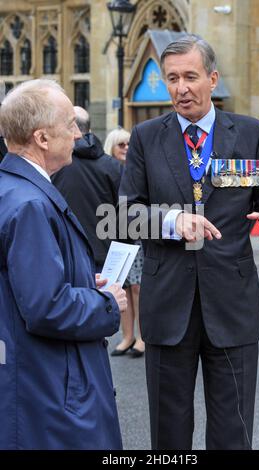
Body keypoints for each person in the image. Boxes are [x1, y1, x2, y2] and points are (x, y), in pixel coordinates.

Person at [119, 35, 259, 449]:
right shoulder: (145, 137)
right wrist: (173, 221)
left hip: (232, 305)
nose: (181, 88)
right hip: (167, 306)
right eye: (172, 78)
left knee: (234, 432)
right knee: (170, 434)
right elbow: (125, 214)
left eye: (191, 77)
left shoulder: (251, 134)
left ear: (212, 79)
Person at [0, 79, 127, 450]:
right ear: (41, 138)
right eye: (69, 124)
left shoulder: (15, 189)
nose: (77, 134)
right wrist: (106, 302)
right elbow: (45, 307)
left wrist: (84, 282)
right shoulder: (30, 204)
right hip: (50, 387)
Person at [52, 106, 122, 271]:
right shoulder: (113, 166)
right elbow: (127, 215)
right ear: (89, 129)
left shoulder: (53, 165)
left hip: (65, 258)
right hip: (105, 260)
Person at [105, 128, 145, 358]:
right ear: (111, 146)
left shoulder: (136, 168)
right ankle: (127, 336)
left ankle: (142, 336)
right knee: (122, 287)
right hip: (115, 234)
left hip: (138, 233)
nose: (126, 149)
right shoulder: (106, 169)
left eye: (129, 144)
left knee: (139, 288)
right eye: (121, 145)